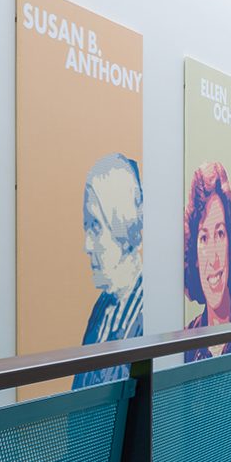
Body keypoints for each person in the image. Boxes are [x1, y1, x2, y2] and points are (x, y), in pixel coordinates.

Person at [75, 153, 144, 388]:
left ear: (122, 225)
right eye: (86, 227)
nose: (87, 245)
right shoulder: (101, 311)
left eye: (95, 226)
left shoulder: (144, 315)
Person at [183, 162, 231, 362]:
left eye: (220, 234)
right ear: (195, 257)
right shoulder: (186, 343)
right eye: (204, 238)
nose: (214, 259)